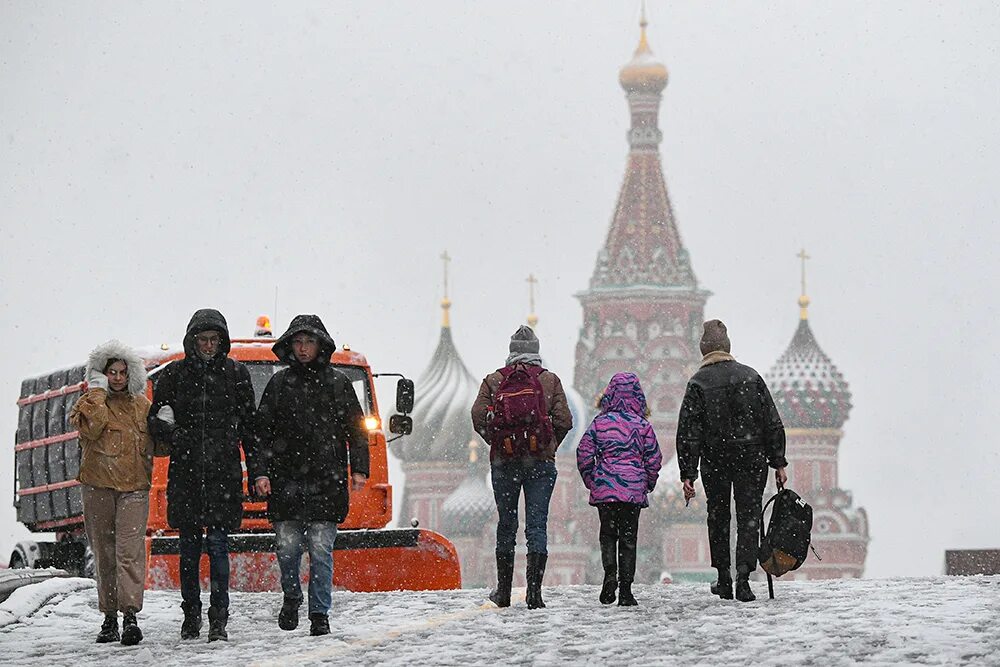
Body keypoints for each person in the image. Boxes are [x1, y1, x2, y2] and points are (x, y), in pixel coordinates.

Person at [246, 315, 369, 637]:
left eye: (309, 342)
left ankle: (319, 614)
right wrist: (259, 472)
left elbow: (357, 430)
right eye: (298, 342)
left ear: (320, 346)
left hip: (328, 481)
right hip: (285, 480)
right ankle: (292, 596)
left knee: (320, 549)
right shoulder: (278, 384)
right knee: (287, 548)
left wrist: (359, 468)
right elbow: (261, 433)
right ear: (290, 345)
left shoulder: (339, 383)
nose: (303, 349)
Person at [148, 309, 256, 640]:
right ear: (192, 341)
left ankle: (219, 618)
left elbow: (250, 428)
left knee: (220, 546)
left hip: (224, 473)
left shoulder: (237, 374)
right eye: (203, 339)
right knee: (189, 550)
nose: (208, 345)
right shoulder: (173, 376)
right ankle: (191, 614)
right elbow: (155, 421)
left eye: (214, 340)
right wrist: (176, 434)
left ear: (222, 342)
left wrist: (256, 472)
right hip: (187, 474)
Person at [676, 320, 788, 602]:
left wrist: (687, 472)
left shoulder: (698, 383)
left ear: (704, 351)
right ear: (728, 348)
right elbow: (772, 422)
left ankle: (723, 578)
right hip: (751, 457)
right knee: (748, 515)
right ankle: (743, 577)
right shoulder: (751, 377)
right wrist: (779, 462)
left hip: (715, 459)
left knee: (719, 515)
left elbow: (689, 432)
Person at [471, 325, 572, 610]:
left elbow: (477, 415)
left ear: (511, 351)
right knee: (537, 524)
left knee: (507, 524)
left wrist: (497, 441)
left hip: (505, 462)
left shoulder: (494, 380)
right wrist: (547, 445)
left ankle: (503, 592)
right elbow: (565, 420)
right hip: (540, 462)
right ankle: (534, 594)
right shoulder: (549, 380)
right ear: (536, 352)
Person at [70, 340, 157, 646]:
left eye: (122, 372)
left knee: (129, 553)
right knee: (104, 552)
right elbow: (92, 429)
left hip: (134, 488)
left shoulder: (143, 406)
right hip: (98, 487)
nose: (117, 378)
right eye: (111, 372)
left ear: (131, 373)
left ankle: (130, 616)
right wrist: (96, 393)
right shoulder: (89, 403)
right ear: (101, 373)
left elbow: (160, 445)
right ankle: (109, 619)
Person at [577, 372, 662, 606]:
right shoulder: (642, 425)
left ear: (609, 394)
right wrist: (646, 483)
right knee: (628, 539)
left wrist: (593, 480)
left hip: (605, 490)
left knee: (607, 535)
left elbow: (584, 453)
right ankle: (625, 590)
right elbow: (654, 458)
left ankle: (609, 575)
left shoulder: (599, 423)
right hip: (632, 492)